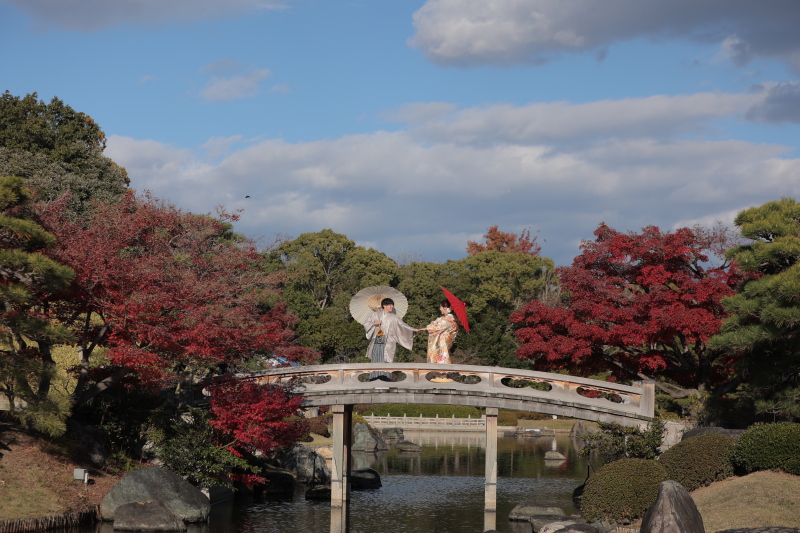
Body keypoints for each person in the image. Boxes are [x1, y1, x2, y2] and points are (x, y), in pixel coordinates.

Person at [363, 298, 415, 381]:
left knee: (386, 360)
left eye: (392, 305)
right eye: (390, 305)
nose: (392, 306)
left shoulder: (393, 317)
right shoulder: (375, 315)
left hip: (388, 341)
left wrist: (413, 330)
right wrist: (374, 324)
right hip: (377, 340)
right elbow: (366, 323)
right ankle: (374, 379)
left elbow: (402, 325)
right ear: (384, 305)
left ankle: (385, 380)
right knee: (376, 359)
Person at [416, 299, 459, 365]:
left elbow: (439, 327)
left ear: (445, 308)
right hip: (444, 341)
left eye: (440, 307)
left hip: (442, 342)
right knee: (441, 355)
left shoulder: (446, 319)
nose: (440, 309)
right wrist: (435, 323)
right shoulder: (449, 319)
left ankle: (440, 373)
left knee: (439, 355)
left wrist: (426, 328)